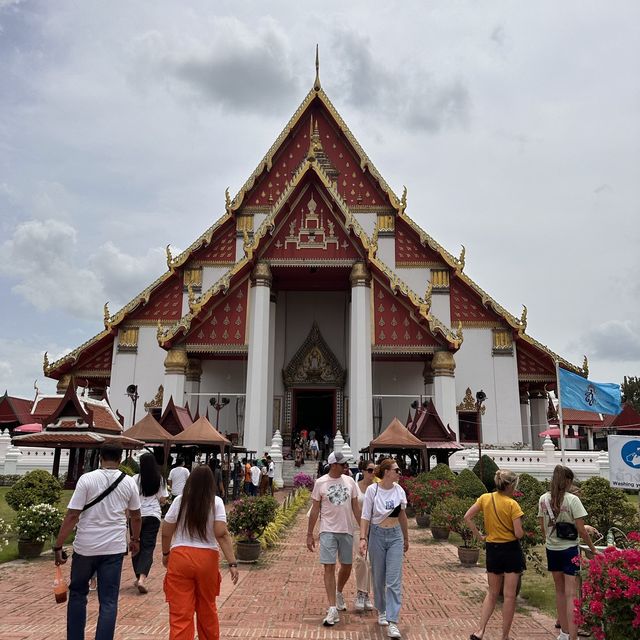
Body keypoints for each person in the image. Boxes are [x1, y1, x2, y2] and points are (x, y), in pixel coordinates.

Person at [53, 444, 142, 640]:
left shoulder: (87, 479)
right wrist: (135, 539)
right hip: (113, 547)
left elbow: (72, 515)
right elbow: (136, 516)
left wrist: (58, 545)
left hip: (86, 546)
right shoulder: (128, 482)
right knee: (108, 601)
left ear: (100, 457)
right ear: (120, 459)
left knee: (77, 594)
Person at [162, 465, 239, 640]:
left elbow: (166, 531)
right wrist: (232, 563)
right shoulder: (216, 502)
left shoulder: (179, 501)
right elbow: (221, 533)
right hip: (207, 559)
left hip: (180, 556)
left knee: (180, 613)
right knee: (207, 608)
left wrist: (166, 554)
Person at [463, 469, 525, 640]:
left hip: (492, 548)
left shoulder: (485, 498)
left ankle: (480, 630)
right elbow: (519, 534)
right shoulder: (513, 505)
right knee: (509, 595)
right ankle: (504, 636)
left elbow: (467, 517)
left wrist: (479, 536)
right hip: (510, 550)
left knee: (491, 593)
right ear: (511, 485)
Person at [538, 465, 597, 640]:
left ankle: (563, 633)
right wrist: (592, 549)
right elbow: (582, 530)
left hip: (552, 549)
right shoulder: (572, 500)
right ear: (568, 481)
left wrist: (550, 539)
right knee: (572, 594)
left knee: (559, 591)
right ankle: (573, 636)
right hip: (570, 549)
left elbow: (542, 527)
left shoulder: (544, 499)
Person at [307, 451, 361, 627]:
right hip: (327, 530)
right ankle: (332, 608)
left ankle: (339, 592)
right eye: (342, 464)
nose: (346, 466)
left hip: (346, 529)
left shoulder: (350, 481)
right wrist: (310, 534)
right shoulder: (321, 483)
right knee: (328, 567)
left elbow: (355, 507)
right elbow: (315, 509)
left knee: (347, 565)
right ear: (333, 465)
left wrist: (363, 530)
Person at [359, 458, 408, 639]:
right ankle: (381, 609)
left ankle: (393, 620)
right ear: (387, 472)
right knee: (378, 576)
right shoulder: (374, 490)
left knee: (394, 579)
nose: (399, 473)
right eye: (397, 470)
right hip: (377, 536)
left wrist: (406, 538)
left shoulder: (399, 491)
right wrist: (363, 538)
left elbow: (402, 516)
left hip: (395, 535)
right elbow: (366, 516)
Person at [130, 452, 168, 594]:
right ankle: (142, 578)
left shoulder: (134, 479)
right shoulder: (159, 479)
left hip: (136, 515)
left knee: (135, 543)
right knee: (148, 547)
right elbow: (163, 498)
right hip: (153, 515)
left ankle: (138, 576)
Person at [353, 460, 375, 612]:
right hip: (357, 527)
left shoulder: (377, 488)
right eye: (370, 470)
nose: (373, 473)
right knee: (362, 559)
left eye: (375, 470)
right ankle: (361, 593)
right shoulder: (354, 487)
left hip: (374, 529)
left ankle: (365, 594)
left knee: (371, 562)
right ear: (362, 471)